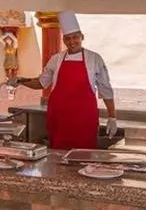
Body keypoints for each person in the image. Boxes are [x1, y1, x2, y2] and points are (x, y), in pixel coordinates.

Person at [12, 11, 117, 149]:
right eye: (68, 38)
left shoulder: (94, 59)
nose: (72, 42)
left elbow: (106, 90)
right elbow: (41, 82)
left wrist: (112, 117)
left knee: (84, 154)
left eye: (75, 37)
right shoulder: (56, 59)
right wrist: (20, 81)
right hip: (59, 119)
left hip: (84, 119)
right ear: (64, 40)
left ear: (82, 37)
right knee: (57, 155)